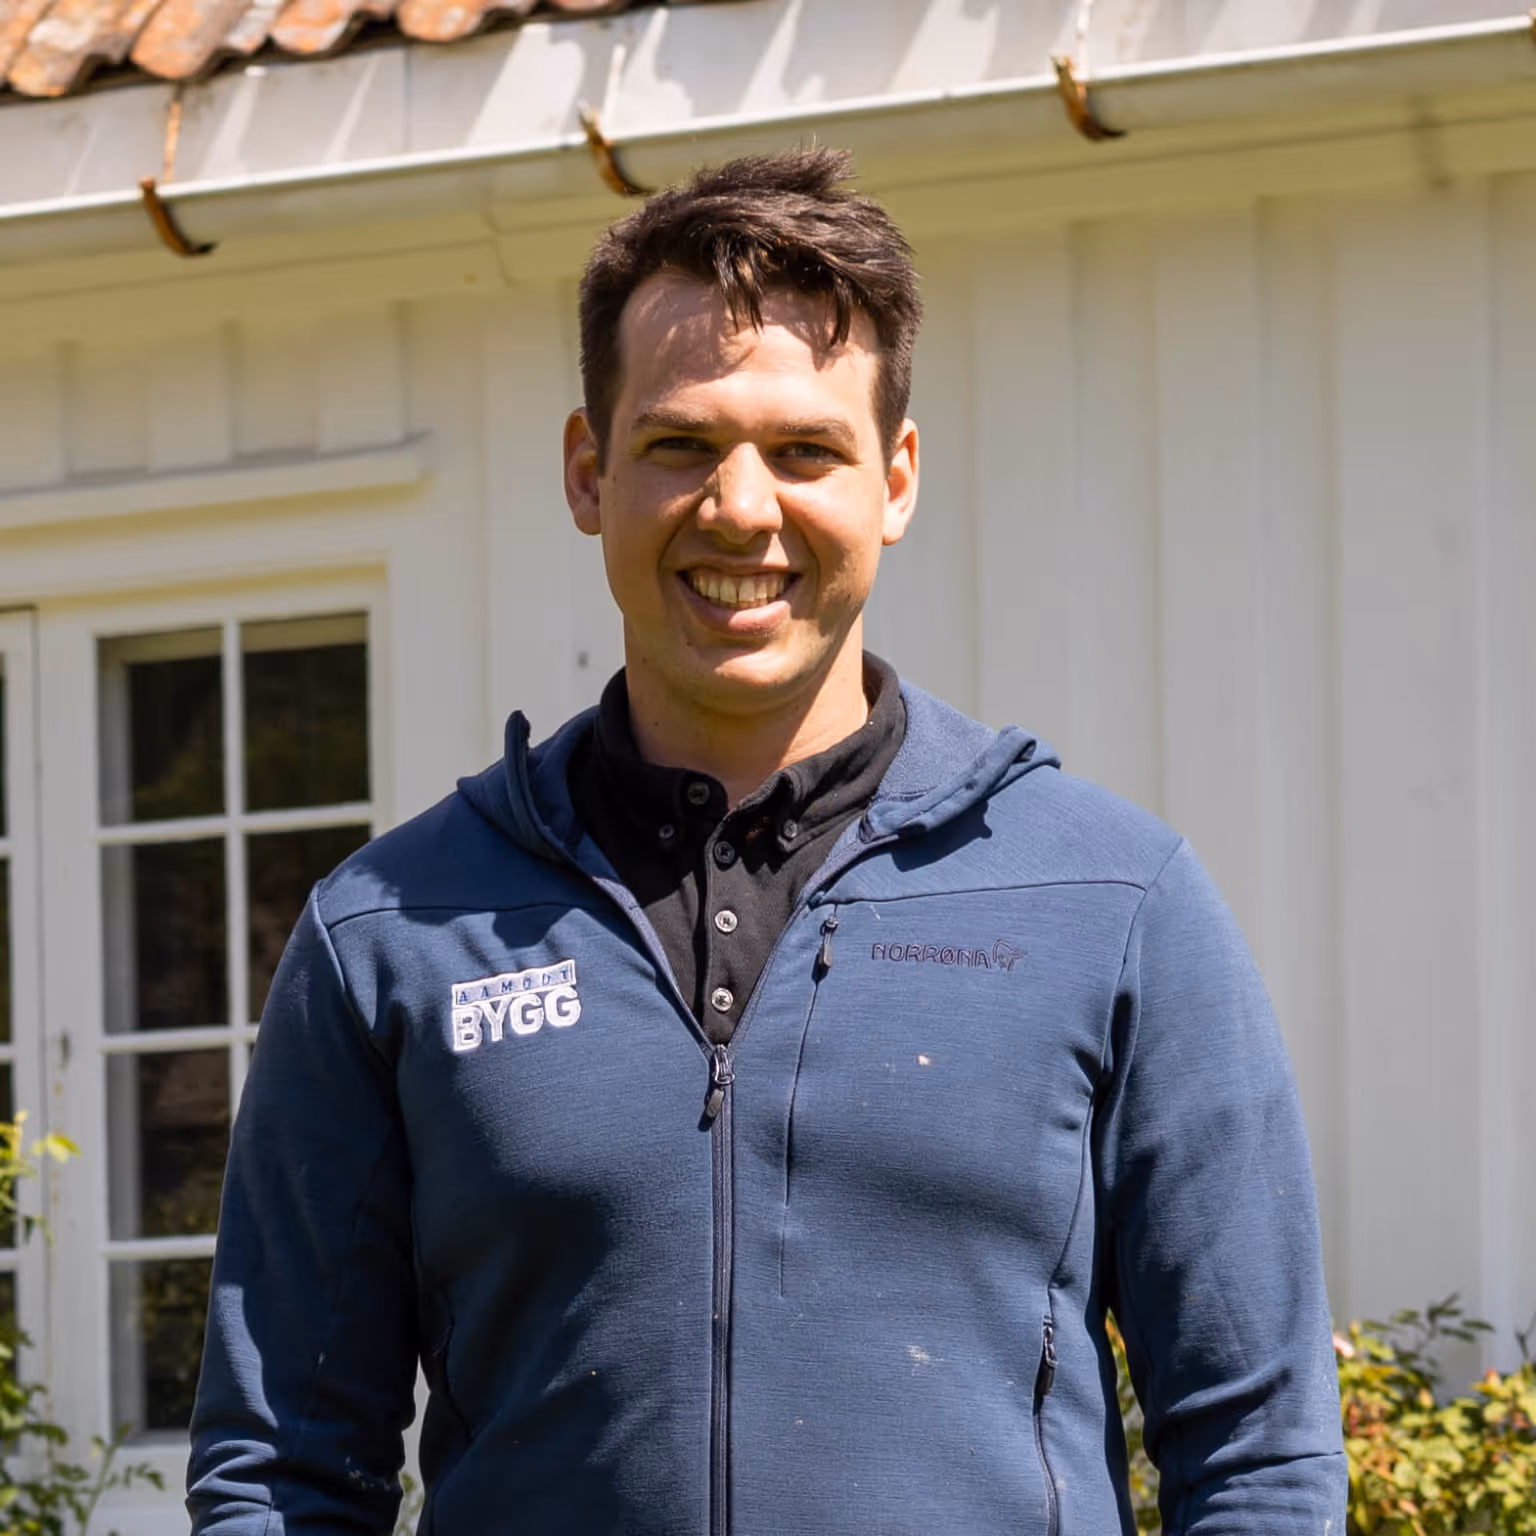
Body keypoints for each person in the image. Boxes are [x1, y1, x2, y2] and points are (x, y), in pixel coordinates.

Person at [188, 148, 1346, 1534]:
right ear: (588, 471)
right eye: (682, 445)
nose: (742, 509)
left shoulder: (1109, 903)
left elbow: (1258, 1457)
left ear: (895, 481)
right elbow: (282, 1471)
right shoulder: (392, 932)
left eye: (806, 451)